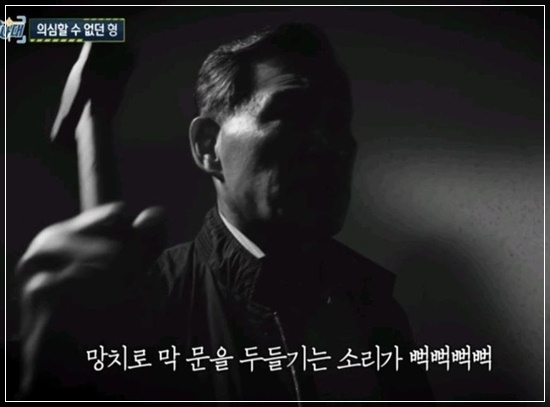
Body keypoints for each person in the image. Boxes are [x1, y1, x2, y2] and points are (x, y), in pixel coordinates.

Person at [15, 22, 433, 401]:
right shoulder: (138, 309)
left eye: (339, 122)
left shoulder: (375, 308)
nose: (330, 144)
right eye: (293, 114)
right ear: (208, 147)